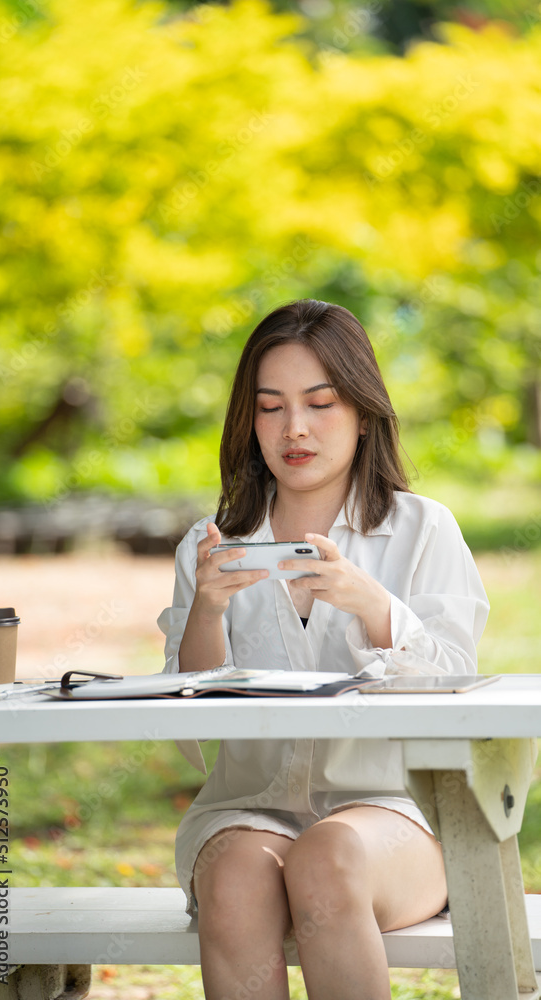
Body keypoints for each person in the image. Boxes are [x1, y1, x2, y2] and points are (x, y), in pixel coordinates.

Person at [158, 299, 489, 1000]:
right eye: (270, 407)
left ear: (363, 411)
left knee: (327, 854)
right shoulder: (210, 545)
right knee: (238, 877)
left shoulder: (422, 530)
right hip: (247, 809)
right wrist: (209, 609)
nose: (294, 429)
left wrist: (374, 606)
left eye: (320, 403)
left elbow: (463, 686)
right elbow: (184, 719)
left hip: (396, 819)